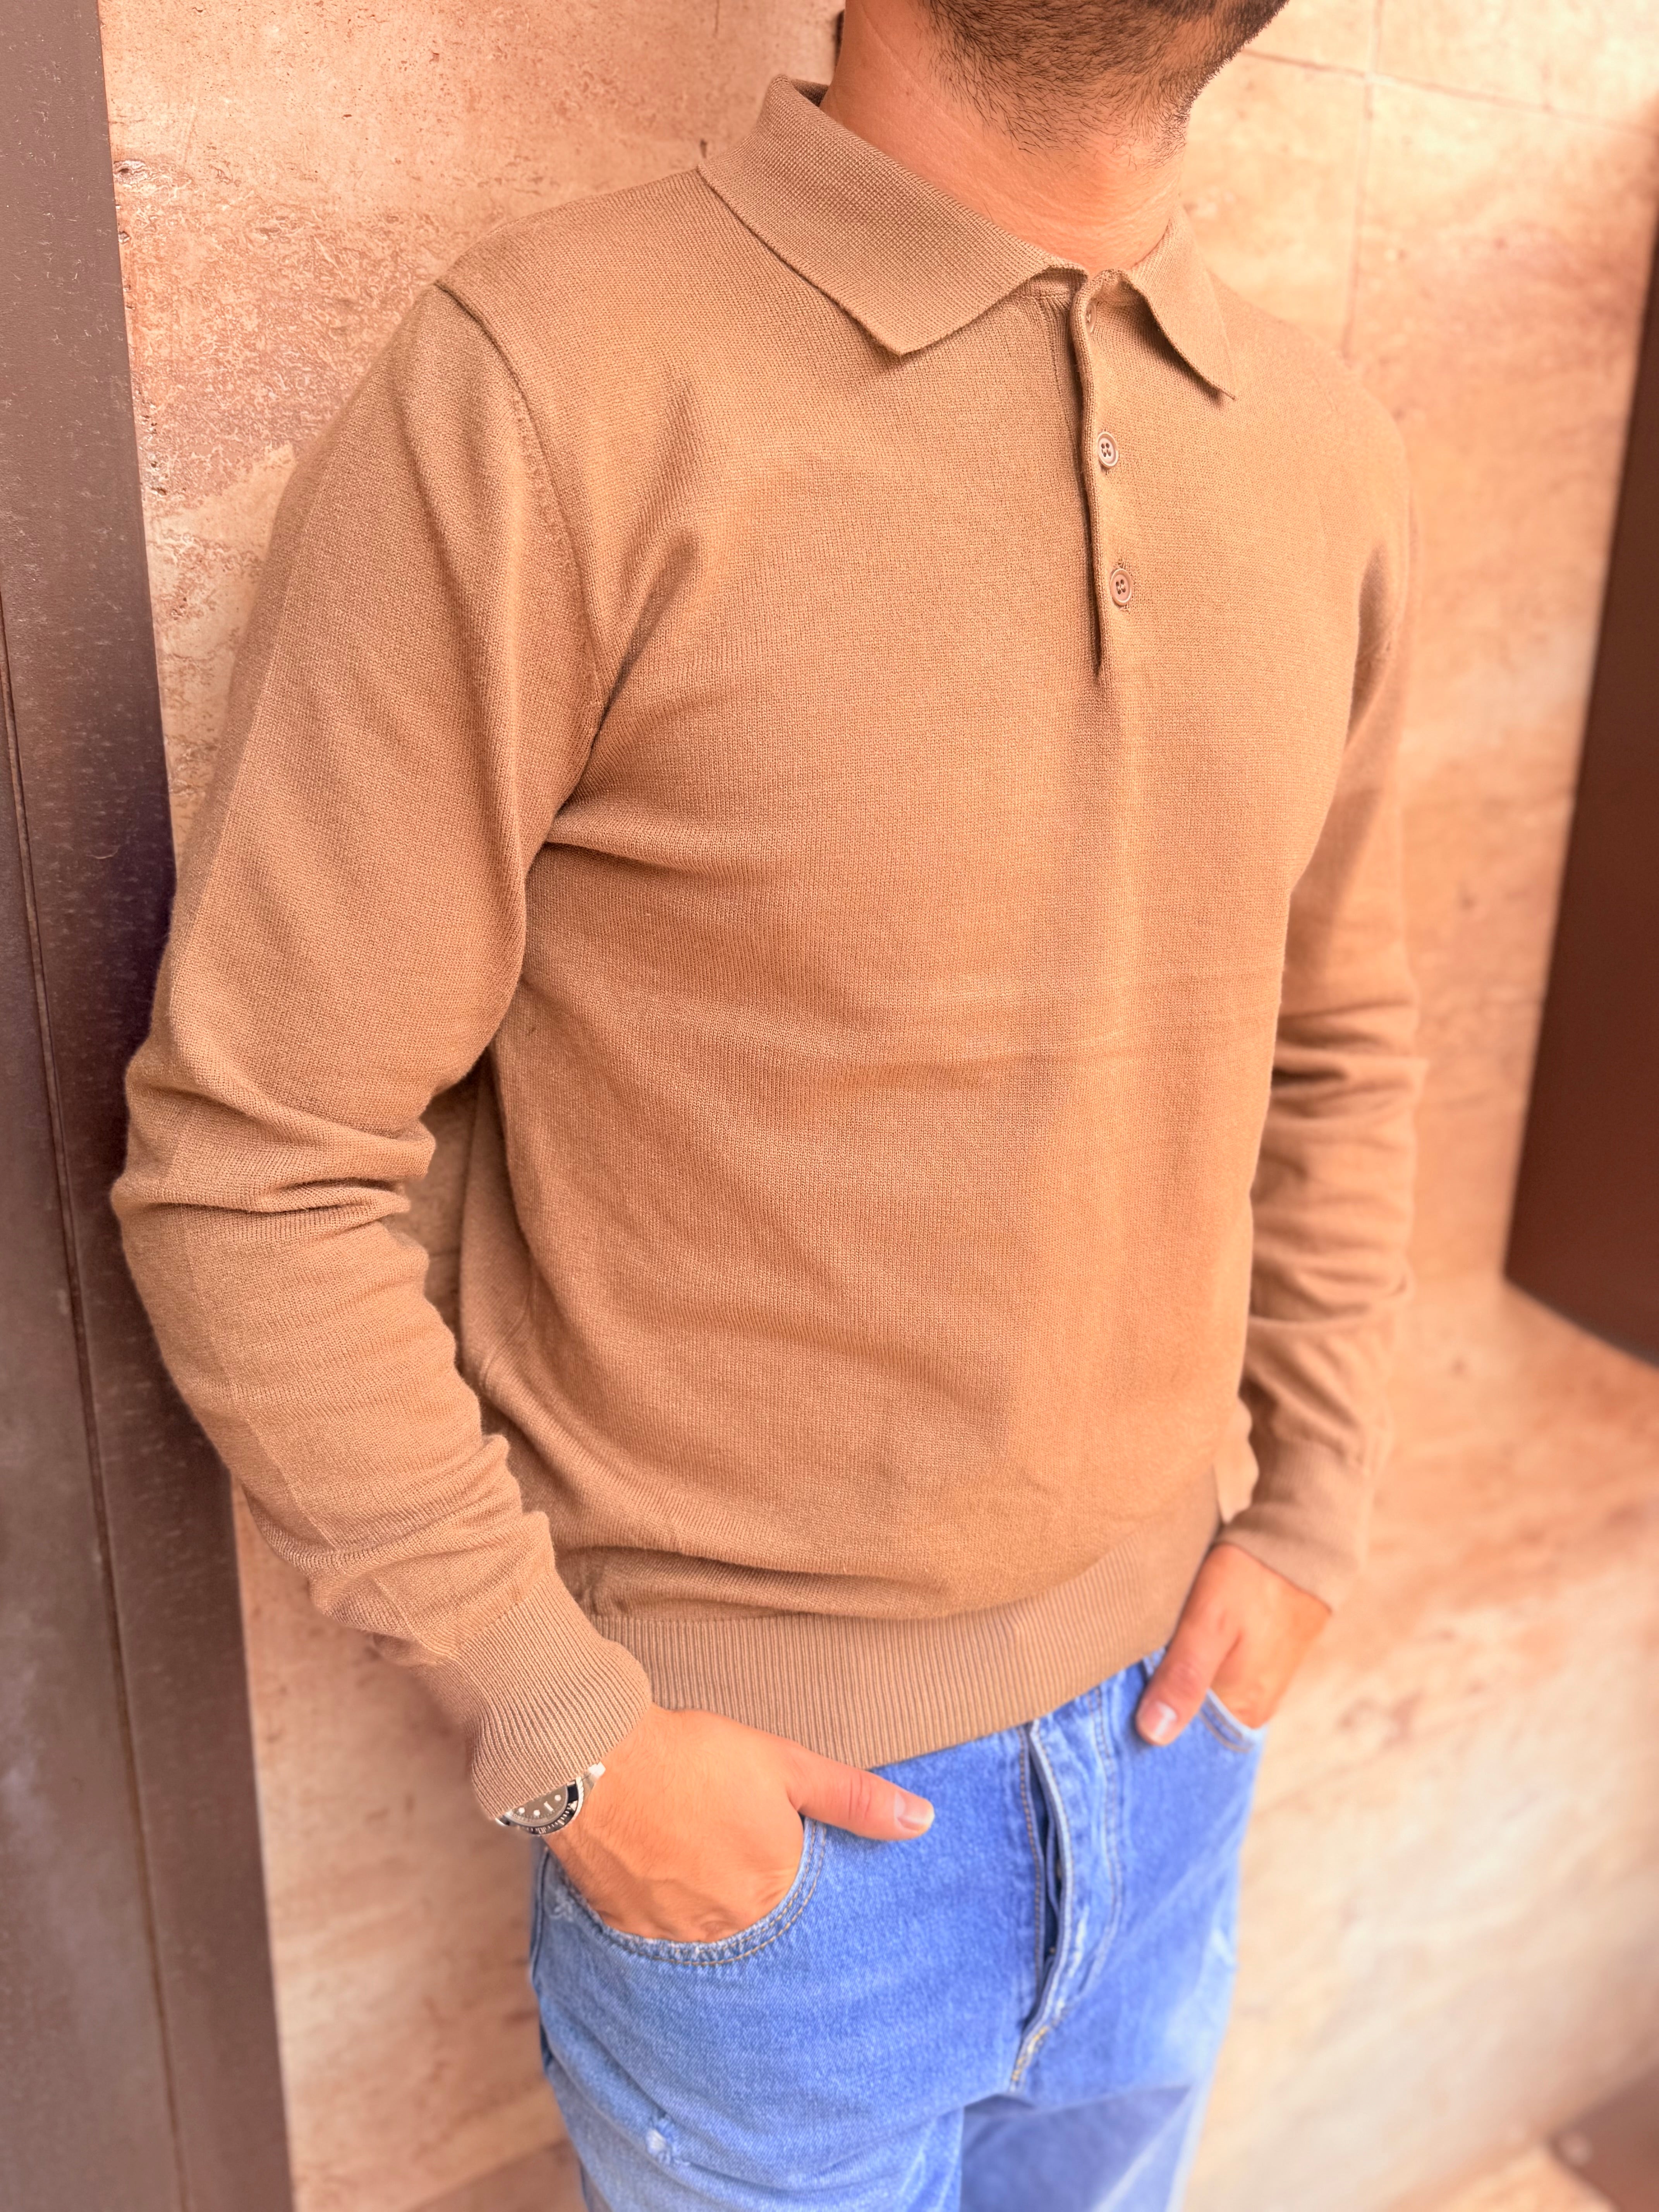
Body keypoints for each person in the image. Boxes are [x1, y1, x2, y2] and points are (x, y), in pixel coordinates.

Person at [116, 0, 1421, 2204]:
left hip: (1181, 1742)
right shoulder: (548, 384)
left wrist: (1315, 1511)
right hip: (772, 1847)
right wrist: (567, 1729)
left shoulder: (1329, 451)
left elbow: (1343, 1038)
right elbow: (254, 1163)